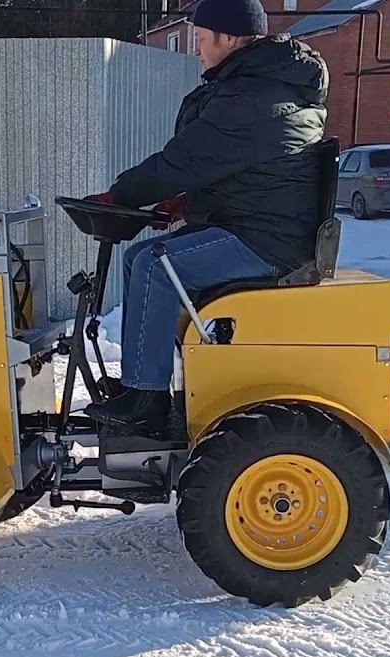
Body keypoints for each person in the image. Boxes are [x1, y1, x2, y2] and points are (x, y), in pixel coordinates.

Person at [82, 0, 329, 433]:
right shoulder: (262, 86)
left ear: (228, 38)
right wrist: (180, 205)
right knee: (137, 257)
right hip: (259, 225)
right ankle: (150, 380)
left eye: (199, 38)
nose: (196, 49)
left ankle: (147, 399)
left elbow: (184, 160)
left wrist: (118, 195)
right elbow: (239, 172)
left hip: (265, 241)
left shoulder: (254, 97)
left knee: (154, 266)